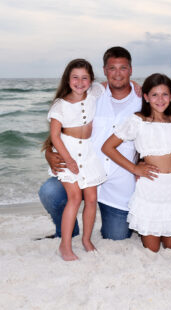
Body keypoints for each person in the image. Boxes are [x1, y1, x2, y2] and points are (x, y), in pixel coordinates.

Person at [39, 47, 142, 241]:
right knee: (50, 191)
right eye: (112, 68)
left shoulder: (142, 100)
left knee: (117, 236)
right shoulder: (93, 94)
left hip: (118, 185)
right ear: (104, 70)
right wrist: (49, 153)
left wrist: (142, 164)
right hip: (81, 171)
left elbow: (155, 132)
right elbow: (62, 132)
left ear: (131, 70)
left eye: (123, 68)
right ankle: (68, 233)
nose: (118, 73)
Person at [102, 73, 171, 252]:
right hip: (150, 188)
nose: (160, 99)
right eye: (154, 95)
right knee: (152, 249)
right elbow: (108, 147)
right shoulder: (138, 120)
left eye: (165, 94)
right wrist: (134, 169)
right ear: (146, 97)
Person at [47, 59, 107, 260]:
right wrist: (69, 160)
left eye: (84, 78)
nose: (80, 82)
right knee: (74, 198)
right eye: (75, 77)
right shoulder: (60, 105)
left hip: (88, 153)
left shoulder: (93, 93)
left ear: (90, 80)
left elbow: (107, 84)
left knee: (91, 200)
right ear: (67, 79)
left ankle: (86, 240)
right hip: (68, 151)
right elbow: (55, 136)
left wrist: (133, 84)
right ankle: (65, 246)